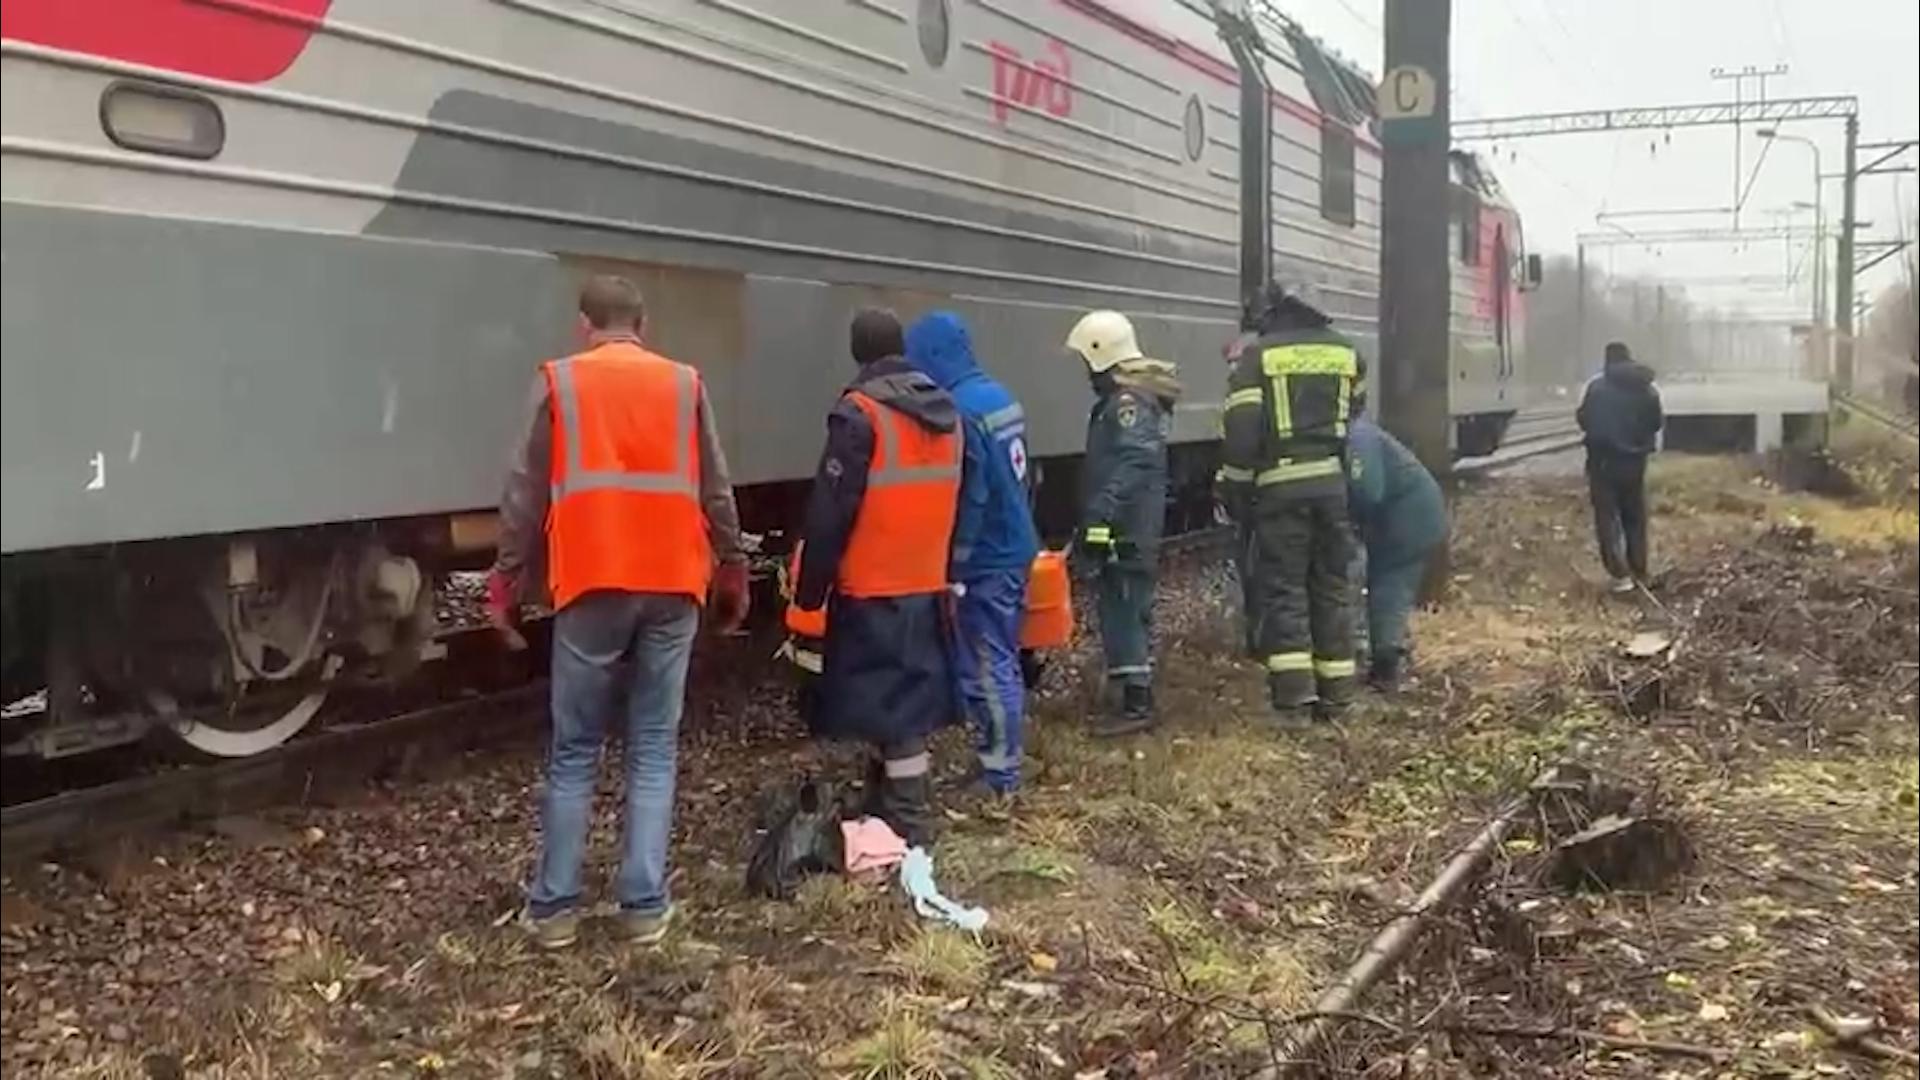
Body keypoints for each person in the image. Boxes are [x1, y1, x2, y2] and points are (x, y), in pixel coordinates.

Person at [487, 275, 750, 950]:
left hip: (592, 581)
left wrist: (506, 581)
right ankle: (642, 906)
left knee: (575, 749)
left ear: (584, 325)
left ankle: (554, 911)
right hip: (671, 583)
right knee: (655, 745)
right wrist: (732, 563)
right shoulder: (684, 384)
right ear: (643, 323)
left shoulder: (560, 383)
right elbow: (716, 487)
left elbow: (524, 493)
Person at [791, 309, 963, 845]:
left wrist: (809, 592)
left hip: (871, 587)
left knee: (895, 716)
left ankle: (909, 823)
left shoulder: (860, 414)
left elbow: (830, 513)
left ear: (857, 351)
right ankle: (892, 805)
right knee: (902, 705)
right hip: (926, 584)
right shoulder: (947, 414)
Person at [904, 311, 1040, 794]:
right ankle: (994, 760)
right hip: (1015, 544)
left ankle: (1001, 774)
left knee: (987, 662)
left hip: (986, 557)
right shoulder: (1001, 398)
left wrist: (955, 563)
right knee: (997, 655)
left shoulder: (959, 411)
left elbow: (973, 494)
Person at [1217, 281, 1360, 725]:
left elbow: (1243, 430)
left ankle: (1295, 700)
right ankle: (1337, 698)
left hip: (1281, 488)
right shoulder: (1347, 353)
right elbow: (1354, 415)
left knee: (1285, 591)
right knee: (1333, 587)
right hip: (1334, 487)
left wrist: (1236, 487)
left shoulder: (1259, 357)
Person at [1064, 310, 1182, 737]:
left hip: (1127, 527)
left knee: (1124, 606)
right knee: (1122, 605)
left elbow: (1133, 460)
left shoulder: (1128, 406)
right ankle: (1126, 691)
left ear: (1101, 355)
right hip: (1126, 524)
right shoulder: (1125, 402)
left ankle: (1136, 703)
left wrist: (1102, 510)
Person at [1344, 395, 1446, 692]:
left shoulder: (1358, 437)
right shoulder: (1359, 434)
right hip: (1410, 514)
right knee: (1388, 585)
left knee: (1390, 582)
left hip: (1410, 518)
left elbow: (1369, 490)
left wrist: (1346, 518)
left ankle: (1386, 664)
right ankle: (1384, 657)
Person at [1576, 341, 1664, 593]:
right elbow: (1656, 423)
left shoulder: (1597, 388)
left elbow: (1584, 419)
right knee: (1635, 516)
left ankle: (1619, 572)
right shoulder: (1648, 390)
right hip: (1635, 462)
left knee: (1608, 517)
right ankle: (1639, 570)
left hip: (1603, 461)